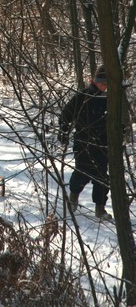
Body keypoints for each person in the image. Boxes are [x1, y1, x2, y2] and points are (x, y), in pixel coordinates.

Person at [59, 65, 112, 220]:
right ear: (95, 81)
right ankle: (73, 197)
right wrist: (63, 131)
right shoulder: (83, 97)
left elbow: (116, 121)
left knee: (101, 177)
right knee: (82, 173)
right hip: (83, 143)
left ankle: (100, 209)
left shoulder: (109, 99)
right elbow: (65, 115)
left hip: (103, 145)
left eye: (107, 84)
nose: (105, 86)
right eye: (103, 83)